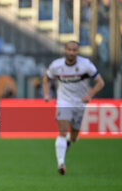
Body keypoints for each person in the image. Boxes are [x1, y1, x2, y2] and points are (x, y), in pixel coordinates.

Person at [43, 41, 105, 175]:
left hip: (79, 103)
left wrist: (90, 94)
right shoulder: (56, 65)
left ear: (78, 51)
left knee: (74, 136)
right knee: (62, 131)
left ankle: (69, 141)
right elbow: (46, 78)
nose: (71, 52)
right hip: (63, 102)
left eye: (74, 50)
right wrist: (47, 94)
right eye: (69, 49)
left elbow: (100, 82)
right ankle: (61, 163)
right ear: (65, 50)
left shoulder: (86, 65)